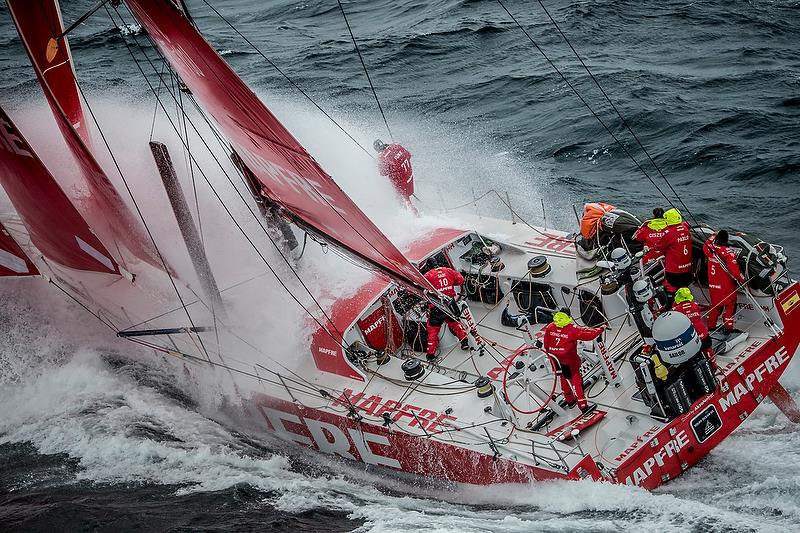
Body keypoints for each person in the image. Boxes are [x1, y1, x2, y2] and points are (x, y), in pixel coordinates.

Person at [542, 309, 605, 413]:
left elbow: (546, 345)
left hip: (555, 360)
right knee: (576, 381)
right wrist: (601, 329)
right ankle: (583, 405)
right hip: (569, 361)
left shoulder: (550, 327)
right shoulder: (572, 329)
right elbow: (589, 335)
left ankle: (570, 401)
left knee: (563, 378)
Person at [422, 257, 469, 359]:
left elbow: (420, 289)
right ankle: (464, 342)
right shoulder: (448, 270)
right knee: (456, 325)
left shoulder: (428, 275)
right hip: (450, 305)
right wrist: (450, 283)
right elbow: (461, 280)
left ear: (428, 266)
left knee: (433, 331)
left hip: (436, 308)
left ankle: (430, 354)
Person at [703, 230, 747, 333]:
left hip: (713, 286)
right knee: (730, 307)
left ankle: (711, 327)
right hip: (726, 286)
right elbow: (734, 271)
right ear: (726, 240)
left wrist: (713, 234)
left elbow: (706, 244)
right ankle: (728, 329)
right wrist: (743, 279)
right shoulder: (728, 253)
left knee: (715, 306)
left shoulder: (709, 249)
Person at [649, 208, 692, 300]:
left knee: (670, 288)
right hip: (687, 268)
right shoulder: (685, 229)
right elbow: (686, 224)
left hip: (674, 270)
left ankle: (670, 307)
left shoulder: (669, 233)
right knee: (684, 288)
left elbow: (658, 247)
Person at [672, 287, 715, 366]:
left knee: (694, 357)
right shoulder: (695, 306)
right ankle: (714, 365)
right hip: (703, 335)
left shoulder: (676, 310)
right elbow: (698, 310)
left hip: (691, 339)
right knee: (708, 350)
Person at [374, 139, 415, 207]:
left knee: (403, 200)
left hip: (401, 183)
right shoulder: (396, 146)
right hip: (409, 176)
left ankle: (411, 214)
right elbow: (409, 155)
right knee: (407, 196)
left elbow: (383, 173)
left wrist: (378, 163)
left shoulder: (382, 157)